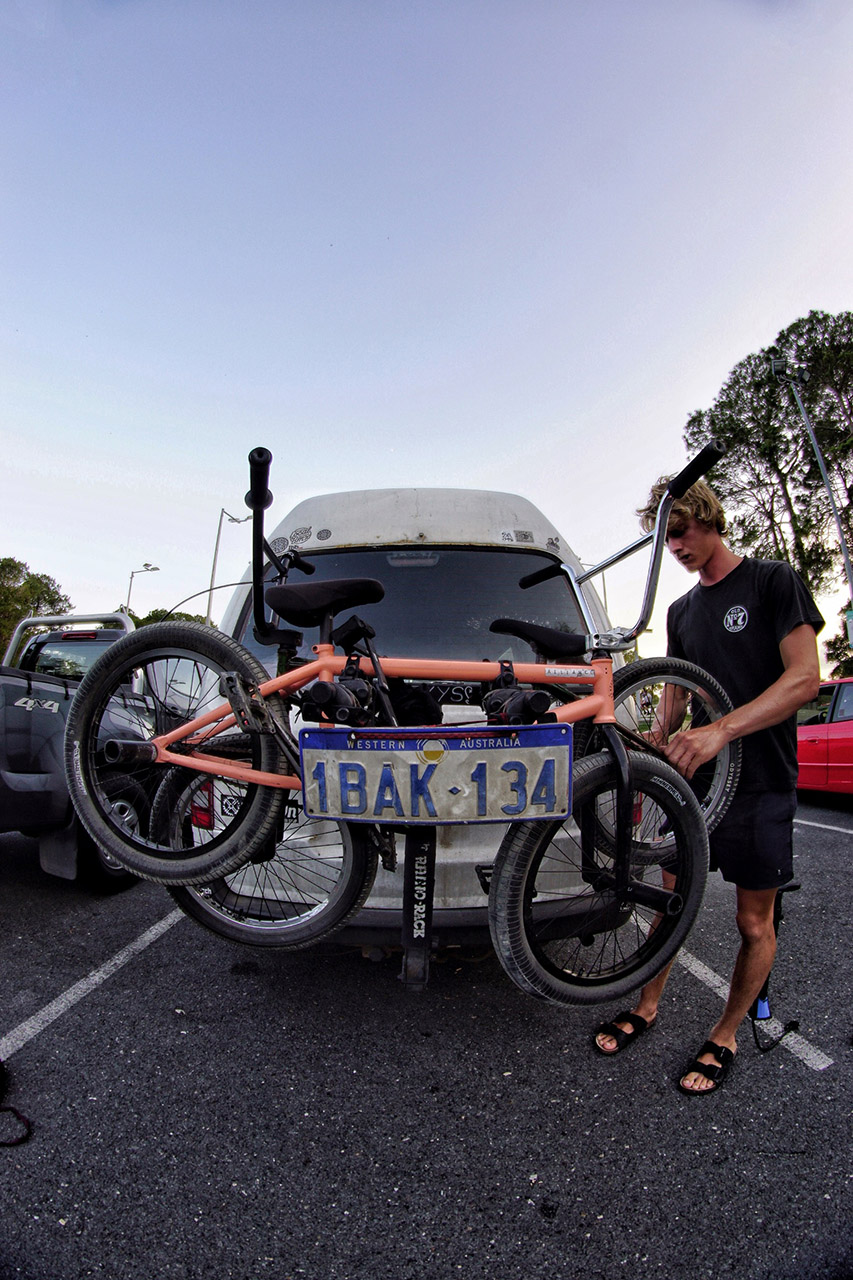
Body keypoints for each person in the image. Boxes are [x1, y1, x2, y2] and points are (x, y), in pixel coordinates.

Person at [593, 475, 824, 1095]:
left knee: (753, 923)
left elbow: (805, 680)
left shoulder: (773, 582)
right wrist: (646, 767)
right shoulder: (680, 611)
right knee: (669, 901)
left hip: (764, 778)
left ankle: (724, 1034)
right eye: (665, 539)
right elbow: (673, 696)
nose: (674, 547)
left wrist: (721, 729)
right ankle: (647, 1006)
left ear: (708, 517)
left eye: (681, 531)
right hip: (697, 782)